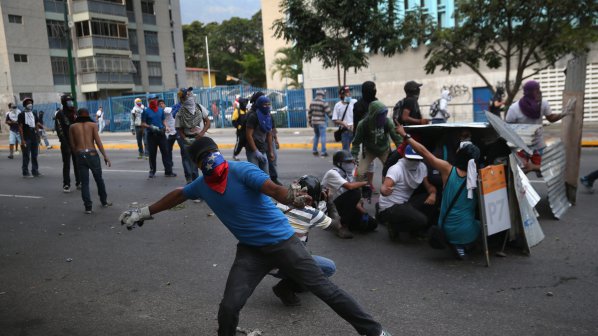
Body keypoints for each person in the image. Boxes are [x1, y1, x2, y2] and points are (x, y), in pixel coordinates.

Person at [118, 137, 391, 336]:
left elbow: (273, 189)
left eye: (211, 156)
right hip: (250, 251)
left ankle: (374, 330)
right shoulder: (202, 185)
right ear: (197, 164)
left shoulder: (241, 170)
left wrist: (294, 198)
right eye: (203, 160)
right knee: (229, 306)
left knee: (325, 289)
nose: (210, 163)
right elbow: (178, 194)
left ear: (217, 153)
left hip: (284, 243)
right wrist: (144, 211)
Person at [395, 123, 481, 260]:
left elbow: (424, 152)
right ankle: (465, 245)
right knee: (478, 224)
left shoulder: (448, 170)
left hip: (445, 228)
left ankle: (454, 241)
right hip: (467, 232)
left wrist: (405, 135)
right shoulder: (479, 178)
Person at [271, 175, 336, 306]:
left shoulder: (277, 205)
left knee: (306, 251)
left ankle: (294, 276)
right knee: (329, 267)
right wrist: (329, 201)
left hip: (266, 255)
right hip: (285, 258)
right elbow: (337, 226)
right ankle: (286, 286)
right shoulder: (312, 213)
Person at [505, 80, 571, 173]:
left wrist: (563, 113)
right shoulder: (514, 108)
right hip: (521, 146)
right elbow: (507, 127)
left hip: (538, 144)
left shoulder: (543, 103)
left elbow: (551, 118)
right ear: (529, 92)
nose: (540, 92)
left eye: (539, 89)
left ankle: (532, 168)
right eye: (537, 90)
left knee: (548, 170)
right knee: (520, 172)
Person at [378, 145, 437, 241]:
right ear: (405, 156)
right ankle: (394, 226)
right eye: (411, 159)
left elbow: (429, 186)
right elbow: (385, 187)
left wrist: (433, 194)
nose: (414, 162)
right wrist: (384, 191)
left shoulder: (421, 167)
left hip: (406, 203)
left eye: (417, 159)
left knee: (432, 200)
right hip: (390, 206)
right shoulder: (396, 169)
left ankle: (414, 230)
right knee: (422, 220)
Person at [322, 150, 376, 237]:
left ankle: (348, 223)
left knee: (372, 224)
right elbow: (350, 187)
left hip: (343, 207)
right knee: (355, 193)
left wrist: (364, 213)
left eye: (351, 161)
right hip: (330, 208)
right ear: (339, 163)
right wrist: (366, 183)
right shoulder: (332, 173)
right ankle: (342, 227)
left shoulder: (348, 175)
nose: (351, 164)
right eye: (347, 162)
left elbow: (354, 201)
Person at [69, 108, 111, 214]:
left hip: (80, 154)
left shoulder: (72, 127)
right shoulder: (93, 125)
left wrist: (78, 154)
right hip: (92, 154)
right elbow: (98, 142)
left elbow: (72, 145)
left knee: (85, 182)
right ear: (88, 115)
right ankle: (104, 201)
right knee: (99, 179)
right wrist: (105, 156)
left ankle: (88, 207)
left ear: (77, 116)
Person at [351, 101, 403, 184]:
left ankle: (385, 192)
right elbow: (356, 142)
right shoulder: (363, 124)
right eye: (380, 115)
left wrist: (401, 154)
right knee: (359, 173)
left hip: (384, 150)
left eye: (385, 114)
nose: (383, 117)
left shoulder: (388, 122)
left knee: (390, 172)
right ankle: (359, 193)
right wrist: (354, 156)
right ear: (373, 115)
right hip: (369, 151)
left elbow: (398, 140)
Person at [174, 87, 211, 184]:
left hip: (199, 138)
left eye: (190, 94)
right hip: (187, 139)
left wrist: (202, 133)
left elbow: (207, 122)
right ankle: (191, 181)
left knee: (201, 160)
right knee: (189, 160)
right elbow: (179, 128)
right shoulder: (180, 112)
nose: (189, 97)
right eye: (187, 95)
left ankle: (199, 181)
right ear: (183, 99)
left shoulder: (199, 107)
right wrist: (185, 138)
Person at [141, 94, 176, 178]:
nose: (154, 101)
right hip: (151, 135)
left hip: (161, 134)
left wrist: (166, 127)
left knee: (166, 152)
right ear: (149, 100)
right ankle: (152, 171)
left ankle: (168, 171)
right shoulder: (146, 111)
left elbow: (163, 120)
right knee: (152, 154)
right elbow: (142, 123)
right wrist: (150, 127)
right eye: (152, 99)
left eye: (156, 99)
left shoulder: (160, 110)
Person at [353, 81, 378, 190]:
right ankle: (361, 185)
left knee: (371, 163)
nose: (374, 90)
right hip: (362, 138)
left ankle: (370, 183)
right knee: (361, 163)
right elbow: (356, 123)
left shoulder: (376, 102)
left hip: (374, 138)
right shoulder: (358, 105)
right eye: (373, 88)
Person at [54, 94, 81, 192]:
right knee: (67, 164)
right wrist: (65, 142)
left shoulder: (75, 112)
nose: (70, 102)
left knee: (77, 163)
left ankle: (79, 182)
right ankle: (66, 184)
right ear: (64, 102)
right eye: (68, 100)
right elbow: (59, 129)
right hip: (66, 142)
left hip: (76, 142)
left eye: (71, 100)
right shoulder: (60, 114)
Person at [245, 93, 274, 173]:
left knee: (265, 175)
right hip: (252, 150)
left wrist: (271, 151)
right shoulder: (253, 116)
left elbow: (269, 134)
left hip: (262, 149)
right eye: (265, 105)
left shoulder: (268, 116)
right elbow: (249, 135)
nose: (267, 107)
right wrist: (256, 151)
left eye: (268, 104)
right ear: (259, 105)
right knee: (255, 175)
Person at [18, 97, 42, 178]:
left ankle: (35, 171)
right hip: (26, 137)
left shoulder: (34, 114)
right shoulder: (21, 115)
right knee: (26, 155)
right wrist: (22, 140)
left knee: (34, 155)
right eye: (28, 103)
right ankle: (25, 172)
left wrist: (38, 136)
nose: (30, 104)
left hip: (34, 136)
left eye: (31, 103)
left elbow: (36, 125)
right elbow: (20, 127)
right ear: (25, 104)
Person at [308, 89, 332, 157]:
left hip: (314, 122)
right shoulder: (323, 102)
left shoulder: (312, 102)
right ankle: (323, 152)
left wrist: (310, 122)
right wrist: (334, 119)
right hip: (321, 122)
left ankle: (314, 150)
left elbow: (309, 113)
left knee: (316, 135)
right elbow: (329, 113)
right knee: (323, 136)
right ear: (322, 95)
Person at [332, 86, 356, 151]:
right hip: (345, 132)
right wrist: (343, 123)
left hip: (355, 130)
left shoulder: (354, 102)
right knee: (346, 152)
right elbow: (334, 119)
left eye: (349, 92)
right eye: (347, 92)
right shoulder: (338, 105)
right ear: (342, 95)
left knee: (356, 150)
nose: (350, 93)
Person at [160, 99, 178, 174]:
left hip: (176, 131)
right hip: (168, 133)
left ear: (164, 104)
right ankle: (169, 165)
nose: (161, 105)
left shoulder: (167, 109)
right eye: (159, 104)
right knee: (168, 150)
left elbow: (169, 110)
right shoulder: (159, 112)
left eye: (162, 103)